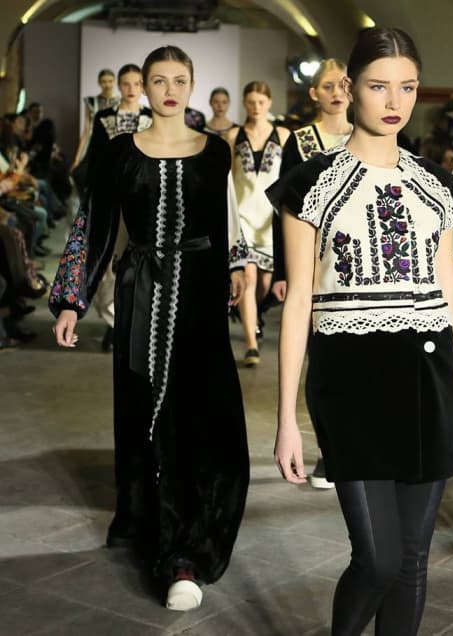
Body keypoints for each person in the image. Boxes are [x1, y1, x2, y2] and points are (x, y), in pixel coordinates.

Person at [267, 27, 453, 634]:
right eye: (378, 86)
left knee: (413, 562)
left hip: (429, 379)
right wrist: (287, 418)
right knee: (378, 560)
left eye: (408, 87)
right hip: (351, 383)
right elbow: (298, 303)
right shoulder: (310, 184)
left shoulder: (438, 187)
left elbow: (450, 301)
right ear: (350, 88)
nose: (394, 101)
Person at [50, 45, 250, 612]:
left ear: (192, 85)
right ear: (144, 86)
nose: (169, 90)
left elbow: (227, 215)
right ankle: (150, 520)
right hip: (141, 295)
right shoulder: (120, 152)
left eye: (179, 80)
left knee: (201, 416)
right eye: (158, 80)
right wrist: (71, 301)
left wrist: (237, 266)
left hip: (201, 299)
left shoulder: (215, 152)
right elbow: (94, 225)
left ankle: (188, 551)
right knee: (145, 411)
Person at [270, 58, 352, 490]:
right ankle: (327, 450)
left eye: (343, 84)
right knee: (321, 361)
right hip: (312, 262)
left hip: (357, 263)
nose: (338, 92)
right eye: (329, 86)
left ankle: (352, 446)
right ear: (314, 93)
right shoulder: (300, 142)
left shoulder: (367, 136)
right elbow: (284, 207)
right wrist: (282, 269)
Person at [83, 63, 153, 352]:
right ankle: (113, 324)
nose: (131, 89)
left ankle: (134, 323)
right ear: (118, 86)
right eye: (126, 83)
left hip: (144, 200)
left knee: (138, 261)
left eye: (137, 83)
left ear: (143, 87)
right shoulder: (104, 118)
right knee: (109, 260)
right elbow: (95, 158)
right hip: (111, 198)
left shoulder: (152, 117)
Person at [227, 81, 290, 367]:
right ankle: (251, 344)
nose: (255, 107)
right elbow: (227, 179)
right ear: (244, 103)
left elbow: (289, 176)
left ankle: (256, 315)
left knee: (265, 283)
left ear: (269, 103)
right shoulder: (233, 136)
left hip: (270, 218)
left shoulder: (284, 136)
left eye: (261, 102)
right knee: (249, 278)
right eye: (251, 102)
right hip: (242, 216)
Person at [71, 68, 119, 191]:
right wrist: (77, 159)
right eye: (104, 81)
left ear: (114, 82)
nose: (107, 85)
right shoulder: (91, 102)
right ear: (99, 83)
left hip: (116, 143)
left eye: (110, 81)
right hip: (95, 143)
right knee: (82, 176)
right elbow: (86, 130)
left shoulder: (121, 102)